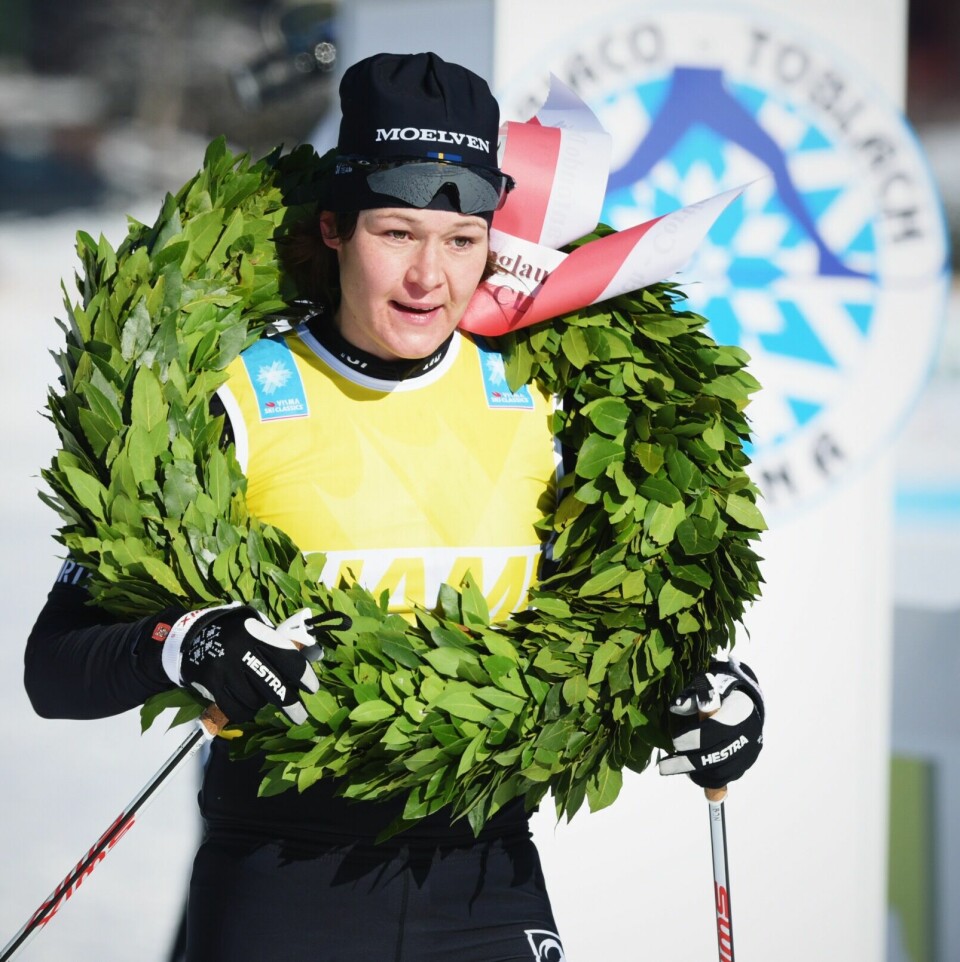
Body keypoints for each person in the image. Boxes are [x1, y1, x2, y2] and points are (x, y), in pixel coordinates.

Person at [24, 52, 764, 962]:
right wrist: (185, 643)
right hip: (282, 877)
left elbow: (607, 625)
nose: (428, 277)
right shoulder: (234, 399)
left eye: (461, 240)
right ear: (333, 228)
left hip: (488, 879)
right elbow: (53, 668)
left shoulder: (543, 402)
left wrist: (699, 693)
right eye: (396, 233)